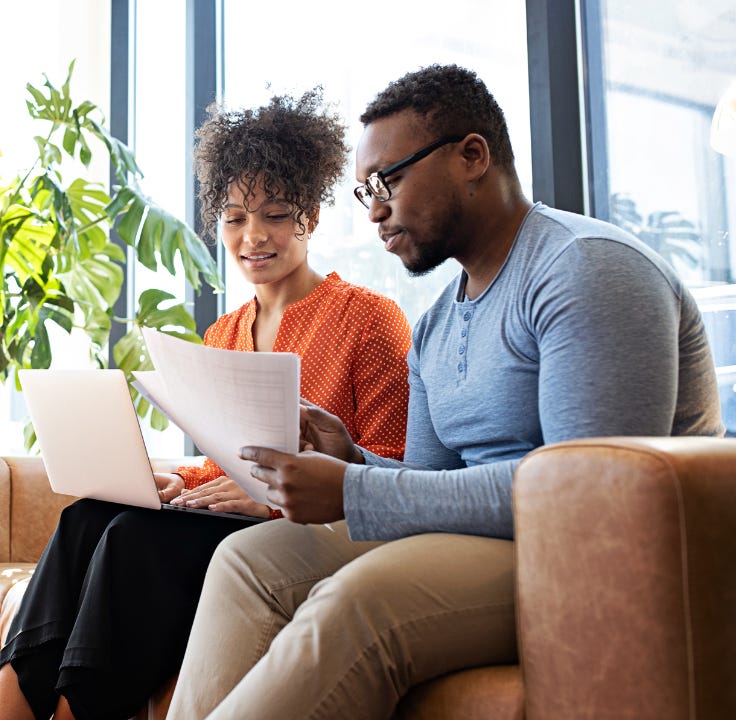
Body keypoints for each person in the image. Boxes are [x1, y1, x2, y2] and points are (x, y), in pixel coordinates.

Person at [166, 64, 725, 720]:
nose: (374, 210)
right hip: (496, 544)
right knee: (246, 562)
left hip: (597, 558)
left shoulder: (585, 271)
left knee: (359, 602)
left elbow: (585, 502)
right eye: (363, 192)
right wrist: (354, 461)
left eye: (389, 181)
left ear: (472, 156)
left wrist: (350, 490)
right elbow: (427, 489)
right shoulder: (435, 325)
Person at [0, 90, 413, 720]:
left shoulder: (369, 320)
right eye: (235, 217)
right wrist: (166, 479)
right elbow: (222, 464)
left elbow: (393, 468)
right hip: (228, 524)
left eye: (273, 214)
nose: (252, 237)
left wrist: (270, 501)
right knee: (85, 519)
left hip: (307, 537)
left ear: (311, 218)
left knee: (133, 541)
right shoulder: (223, 333)